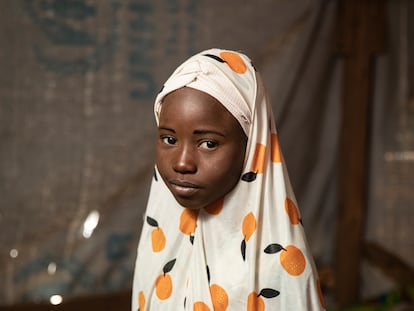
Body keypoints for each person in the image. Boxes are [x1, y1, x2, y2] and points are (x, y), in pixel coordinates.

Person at [132, 48, 326, 310]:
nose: (182, 163)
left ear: (251, 145)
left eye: (209, 143)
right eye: (169, 139)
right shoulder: (158, 245)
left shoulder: (279, 265)